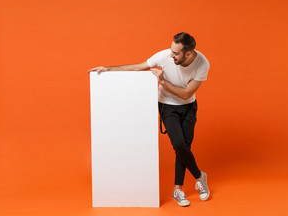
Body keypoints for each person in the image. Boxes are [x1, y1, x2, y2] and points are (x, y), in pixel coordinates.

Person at [88, 32, 210, 207]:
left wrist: (162, 81)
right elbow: (138, 67)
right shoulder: (164, 56)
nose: (171, 55)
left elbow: (186, 94)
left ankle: (177, 189)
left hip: (188, 107)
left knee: (184, 148)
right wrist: (108, 69)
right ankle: (200, 176)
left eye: (176, 53)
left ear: (188, 53)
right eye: (171, 50)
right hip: (168, 107)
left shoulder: (202, 63)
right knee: (179, 144)